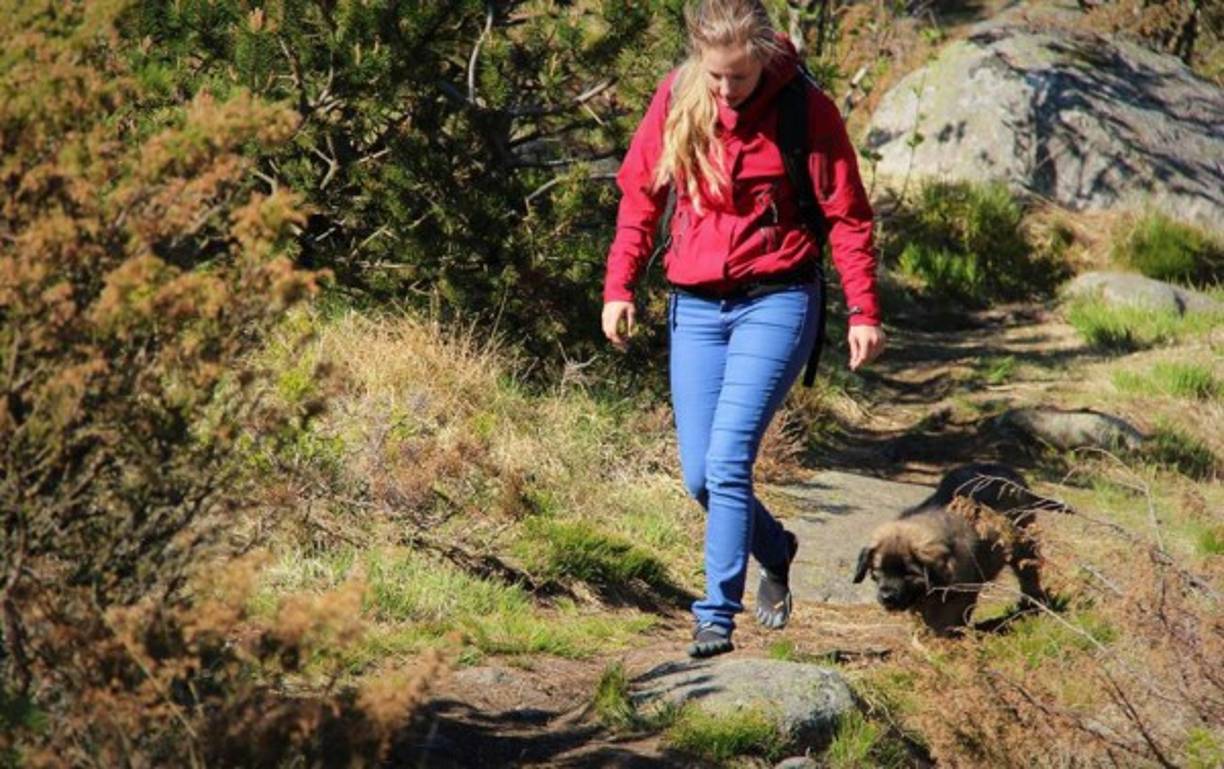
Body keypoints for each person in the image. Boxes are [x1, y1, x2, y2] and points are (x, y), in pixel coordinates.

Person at [601, 0, 885, 658]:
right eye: (716, 77)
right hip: (695, 306)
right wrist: (619, 285)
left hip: (778, 298)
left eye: (739, 78)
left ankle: (715, 615)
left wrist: (864, 310)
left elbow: (848, 215)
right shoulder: (678, 96)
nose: (726, 91)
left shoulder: (804, 108)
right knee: (702, 475)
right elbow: (642, 195)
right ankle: (775, 547)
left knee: (729, 459)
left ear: (763, 57)